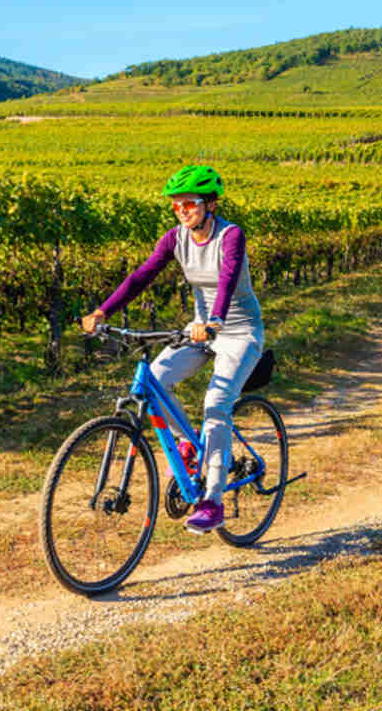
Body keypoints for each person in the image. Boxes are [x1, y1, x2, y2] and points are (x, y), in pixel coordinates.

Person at [81, 164, 264, 533]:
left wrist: (213, 320)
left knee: (215, 405)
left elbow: (228, 278)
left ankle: (212, 501)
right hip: (198, 330)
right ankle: (188, 444)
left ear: (210, 204)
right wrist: (103, 311)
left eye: (190, 204)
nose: (183, 211)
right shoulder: (175, 238)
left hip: (237, 331)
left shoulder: (230, 235)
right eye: (176, 206)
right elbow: (142, 275)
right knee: (155, 381)